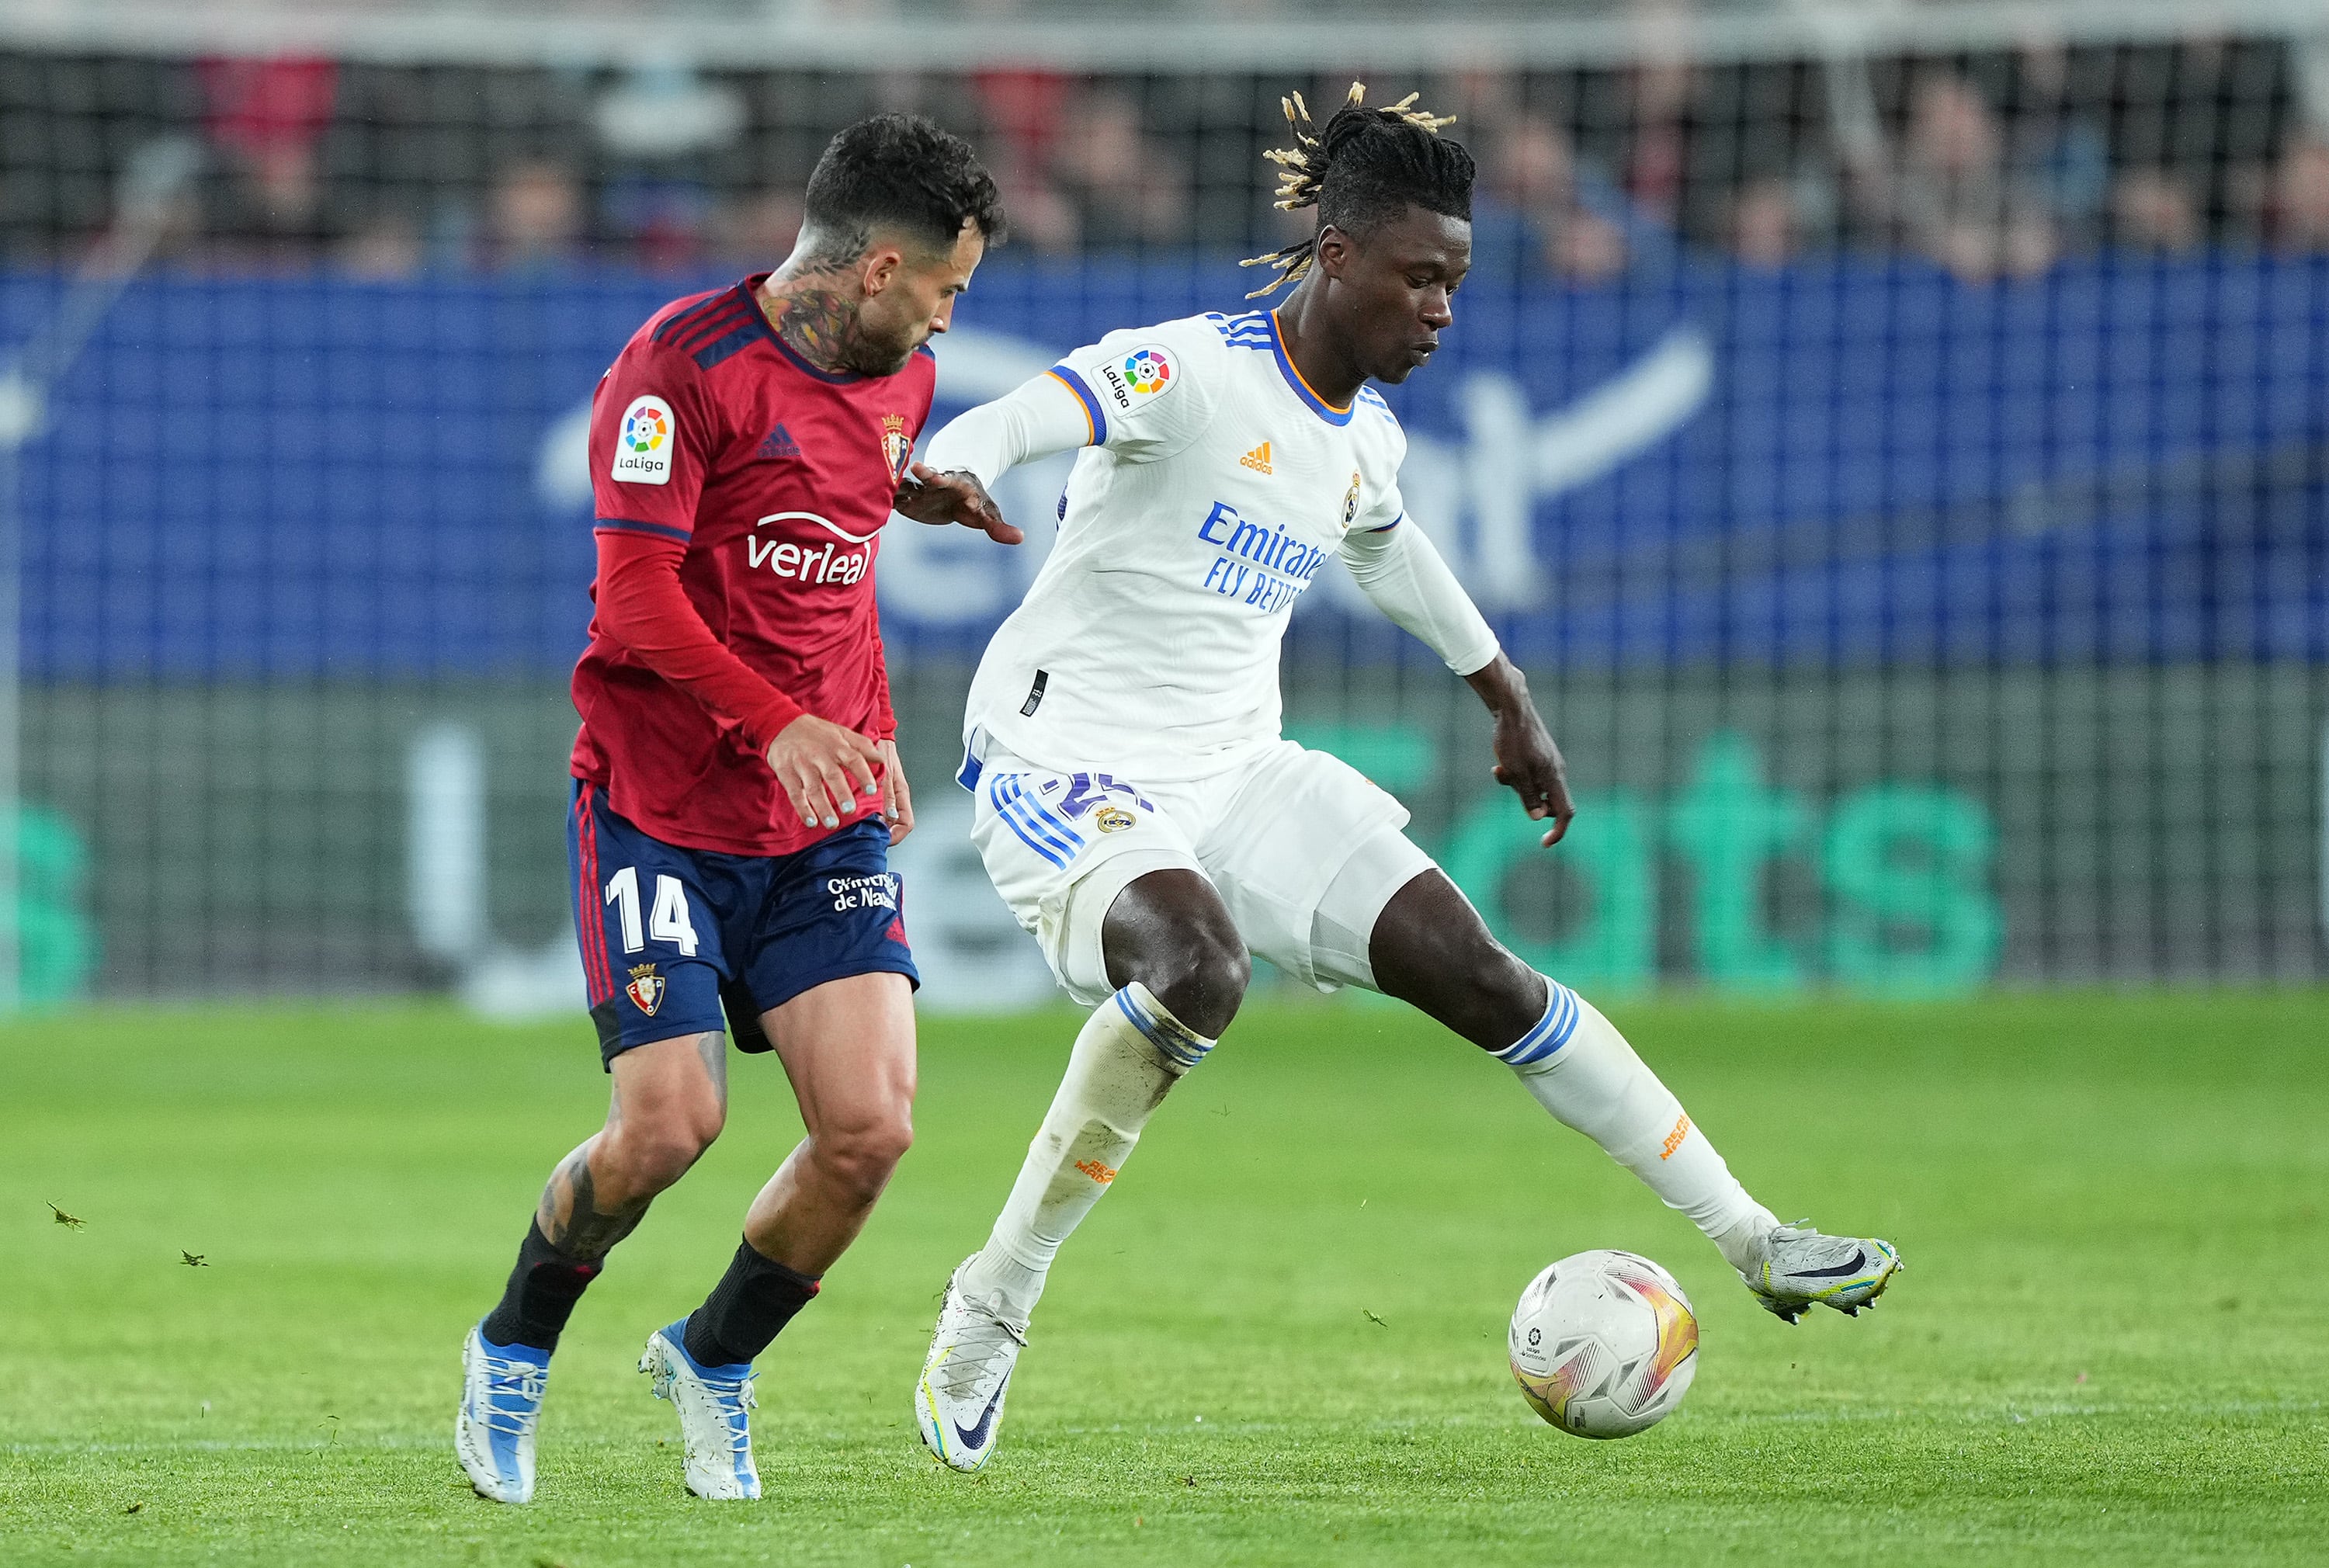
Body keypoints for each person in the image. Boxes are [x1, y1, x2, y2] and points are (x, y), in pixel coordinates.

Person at [897, 83, 1901, 1473]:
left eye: (1459, 283)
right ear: (1336, 257)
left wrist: (1507, 695)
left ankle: (1754, 1237)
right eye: (1420, 277)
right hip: (1062, 758)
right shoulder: (1187, 368)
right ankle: (994, 1299)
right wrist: (943, 462)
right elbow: (1023, 414)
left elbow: (1382, 543)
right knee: (1197, 966)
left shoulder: (1363, 435)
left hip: (1238, 768)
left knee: (1483, 975)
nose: (1441, 308)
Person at [453, 113, 1016, 1506]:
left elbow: (834, 562)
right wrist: (783, 725)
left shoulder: (902, 379)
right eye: (946, 286)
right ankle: (513, 1346)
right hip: (660, 804)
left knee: (871, 1129)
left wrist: (871, 725)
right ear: (876, 266)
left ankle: (711, 1360)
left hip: (816, 816)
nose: (954, 313)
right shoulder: (676, 371)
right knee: (666, 1130)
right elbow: (636, 603)